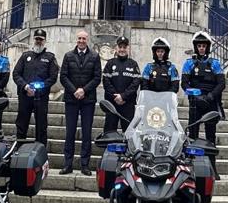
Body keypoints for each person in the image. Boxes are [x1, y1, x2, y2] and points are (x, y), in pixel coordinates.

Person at [58, 30, 101, 176]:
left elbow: (97, 77)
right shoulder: (68, 56)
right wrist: (75, 90)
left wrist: (84, 90)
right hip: (71, 99)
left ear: (87, 40)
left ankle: (85, 165)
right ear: (76, 40)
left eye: (83, 38)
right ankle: (67, 164)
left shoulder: (95, 56)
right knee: (70, 132)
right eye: (79, 38)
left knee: (87, 133)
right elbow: (63, 76)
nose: (81, 41)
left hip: (88, 100)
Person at [181, 30, 225, 166]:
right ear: (196, 47)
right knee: (193, 136)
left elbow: (221, 83)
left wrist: (210, 96)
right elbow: (184, 83)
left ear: (207, 47)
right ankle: (192, 166)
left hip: (210, 103)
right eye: (199, 46)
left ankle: (212, 167)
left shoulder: (215, 63)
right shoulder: (189, 63)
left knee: (210, 136)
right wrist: (197, 96)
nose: (201, 48)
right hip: (195, 103)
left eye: (203, 46)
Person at [12, 27, 58, 147]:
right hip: (25, 96)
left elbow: (52, 77)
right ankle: (19, 149)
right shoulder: (25, 56)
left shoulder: (50, 58)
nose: (38, 41)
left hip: (41, 98)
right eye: (37, 39)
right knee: (21, 125)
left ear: (45, 41)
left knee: (41, 126)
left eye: (41, 39)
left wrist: (39, 88)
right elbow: (16, 74)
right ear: (33, 39)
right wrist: (26, 86)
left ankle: (41, 151)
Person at [101, 36, 140, 135]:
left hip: (128, 104)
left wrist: (123, 96)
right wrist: (116, 96)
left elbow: (135, 84)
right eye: (120, 47)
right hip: (112, 104)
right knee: (109, 133)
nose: (122, 49)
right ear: (116, 48)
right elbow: (106, 82)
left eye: (124, 47)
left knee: (129, 134)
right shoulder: (110, 63)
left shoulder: (133, 64)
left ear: (128, 48)